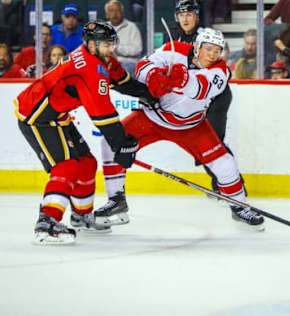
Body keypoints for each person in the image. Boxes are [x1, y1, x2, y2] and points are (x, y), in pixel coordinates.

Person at [93, 28, 265, 230]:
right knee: (109, 143)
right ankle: (116, 200)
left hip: (191, 126)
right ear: (197, 46)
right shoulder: (174, 49)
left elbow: (202, 88)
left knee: (225, 164)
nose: (212, 55)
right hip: (151, 118)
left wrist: (181, 78)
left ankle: (239, 207)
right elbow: (142, 67)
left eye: (217, 51)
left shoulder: (221, 70)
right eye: (208, 49)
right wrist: (154, 76)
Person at [14, 21, 139, 245]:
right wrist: (121, 144)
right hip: (37, 116)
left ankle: (81, 216)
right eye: (106, 44)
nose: (112, 49)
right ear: (91, 45)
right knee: (67, 165)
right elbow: (103, 115)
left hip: (57, 114)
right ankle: (47, 222)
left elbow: (122, 80)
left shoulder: (101, 58)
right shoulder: (89, 69)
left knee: (87, 163)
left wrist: (148, 95)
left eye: (112, 43)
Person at [171, 0, 243, 195]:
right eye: (182, 14)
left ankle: (233, 186)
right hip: (196, 98)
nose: (185, 18)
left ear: (196, 16)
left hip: (215, 97)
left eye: (189, 14)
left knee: (213, 144)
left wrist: (205, 100)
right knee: (202, 144)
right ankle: (221, 184)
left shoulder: (206, 36)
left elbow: (216, 71)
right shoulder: (176, 39)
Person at [105, 0, 143, 75]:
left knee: (125, 68)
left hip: (127, 63)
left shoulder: (132, 27)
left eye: (117, 10)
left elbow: (137, 49)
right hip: (107, 63)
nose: (114, 14)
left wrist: (116, 47)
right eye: (111, 11)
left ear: (122, 13)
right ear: (107, 15)